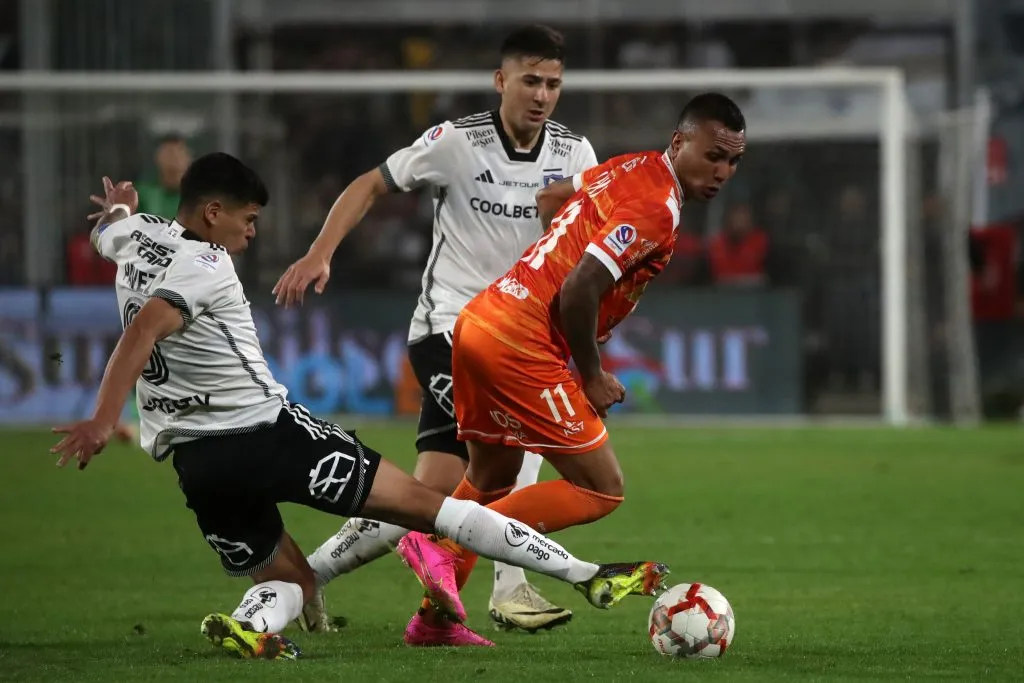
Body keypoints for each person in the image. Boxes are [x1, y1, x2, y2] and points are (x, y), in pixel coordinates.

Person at [50, 153, 668, 661]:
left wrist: (119, 208)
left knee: (292, 581)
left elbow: (108, 229)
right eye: (248, 218)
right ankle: (588, 575)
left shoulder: (137, 239)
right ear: (213, 213)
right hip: (269, 435)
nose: (252, 231)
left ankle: (250, 621)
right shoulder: (207, 263)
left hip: (196, 465)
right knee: (435, 510)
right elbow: (144, 331)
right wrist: (105, 419)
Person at [273, 24, 598, 641]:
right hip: (448, 328)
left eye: (553, 83)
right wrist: (321, 252)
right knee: (515, 438)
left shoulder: (575, 154)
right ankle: (511, 586)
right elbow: (371, 182)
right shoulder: (456, 142)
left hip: (515, 335)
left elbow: (584, 242)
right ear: (501, 81)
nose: (542, 94)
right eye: (530, 80)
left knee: (430, 492)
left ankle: (301, 581)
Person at [399, 93, 746, 640]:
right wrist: (591, 373)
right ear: (679, 143)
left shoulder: (631, 166)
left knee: (491, 475)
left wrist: (545, 264)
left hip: (481, 318)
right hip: (520, 339)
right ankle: (442, 538)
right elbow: (582, 285)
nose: (722, 172)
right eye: (713, 156)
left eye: (732, 162)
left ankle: (433, 620)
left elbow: (553, 197)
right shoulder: (658, 206)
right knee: (602, 487)